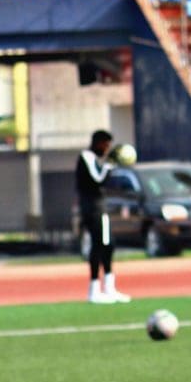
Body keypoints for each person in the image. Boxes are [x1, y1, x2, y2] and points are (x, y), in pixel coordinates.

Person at [76, 130, 130, 303]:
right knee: (99, 245)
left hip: (98, 208)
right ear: (98, 143)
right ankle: (94, 290)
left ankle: (109, 288)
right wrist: (110, 164)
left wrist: (109, 164)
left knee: (107, 245)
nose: (107, 149)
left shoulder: (95, 159)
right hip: (93, 209)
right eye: (106, 145)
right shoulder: (87, 157)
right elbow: (98, 179)